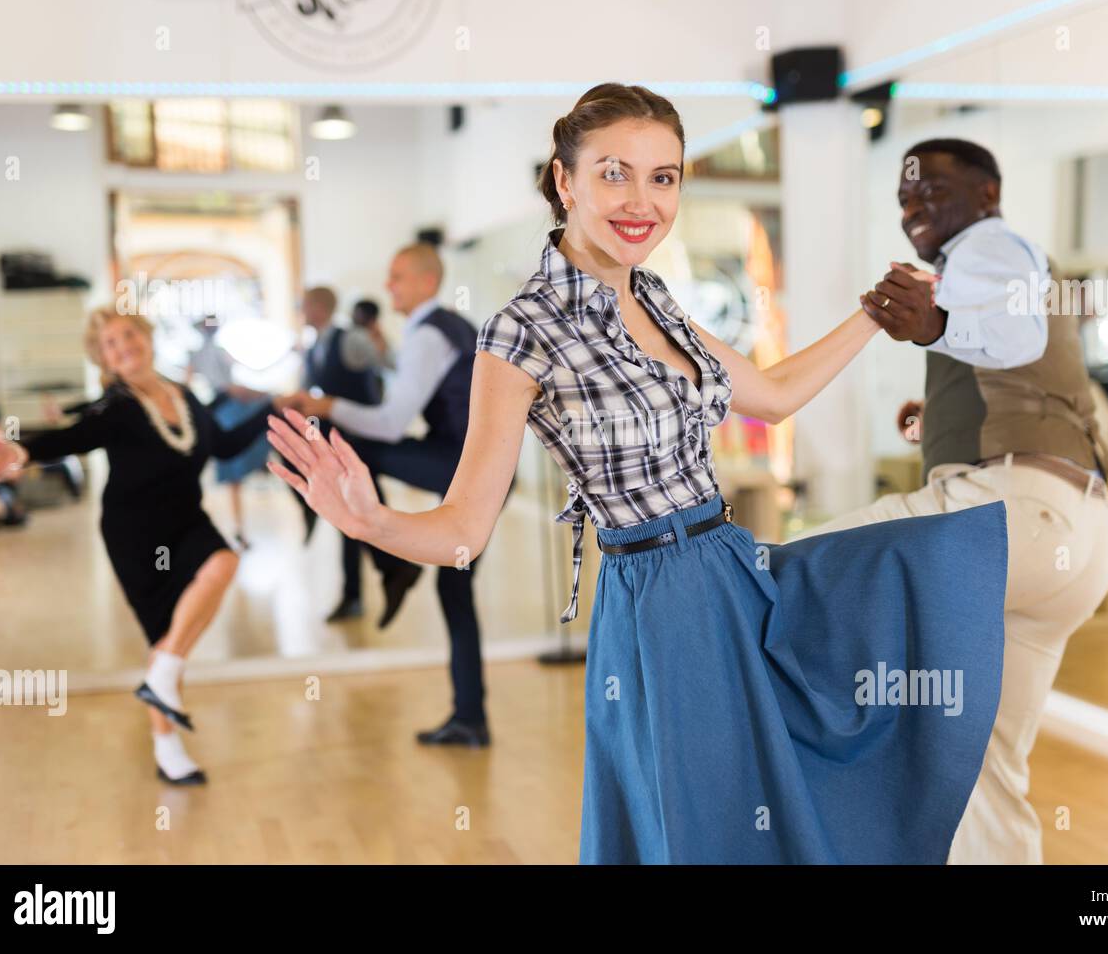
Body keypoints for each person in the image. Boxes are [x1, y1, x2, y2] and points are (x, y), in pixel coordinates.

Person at [266, 84, 1008, 864]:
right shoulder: (521, 332)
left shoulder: (655, 296)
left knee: (913, 589)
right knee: (700, 828)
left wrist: (872, 314)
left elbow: (776, 395)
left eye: (665, 177)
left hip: (731, 569)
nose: (642, 201)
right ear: (566, 181)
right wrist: (369, 521)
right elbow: (463, 530)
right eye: (615, 173)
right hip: (657, 601)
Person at [797, 138, 1108, 865]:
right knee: (986, 772)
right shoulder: (994, 264)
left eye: (932, 191)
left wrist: (940, 327)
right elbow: (1019, 354)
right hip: (1074, 538)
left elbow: (1008, 327)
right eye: (905, 198)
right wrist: (938, 410)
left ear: (986, 192)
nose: (914, 205)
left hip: (1017, 516)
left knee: (790, 567)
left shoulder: (986, 246)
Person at [0, 307, 276, 786]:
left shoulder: (186, 395)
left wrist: (276, 408)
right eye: (110, 344)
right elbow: (72, 437)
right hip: (137, 533)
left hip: (187, 520)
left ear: (147, 336)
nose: (123, 346)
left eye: (128, 335)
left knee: (223, 563)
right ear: (103, 358)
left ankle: (161, 679)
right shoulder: (115, 407)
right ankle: (167, 746)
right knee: (165, 636)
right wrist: (19, 452)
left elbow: (227, 446)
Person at [283, 244, 489, 747]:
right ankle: (470, 718)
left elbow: (393, 423)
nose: (388, 284)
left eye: (397, 276)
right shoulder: (450, 327)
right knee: (455, 590)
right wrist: (386, 357)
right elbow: (421, 385)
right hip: (474, 464)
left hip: (458, 465)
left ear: (425, 281)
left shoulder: (428, 333)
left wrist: (323, 403)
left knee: (354, 450)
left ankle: (392, 565)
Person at [294, 286, 421, 625]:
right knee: (351, 519)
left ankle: (391, 572)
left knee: (360, 515)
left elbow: (393, 364)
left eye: (303, 304)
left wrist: (381, 343)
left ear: (318, 308)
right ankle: (377, 581)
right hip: (338, 442)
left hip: (361, 442)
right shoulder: (315, 345)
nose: (299, 309)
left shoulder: (350, 340)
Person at [187, 316, 271, 550]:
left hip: (221, 409)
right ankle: (236, 530)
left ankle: (236, 530)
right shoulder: (207, 353)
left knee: (232, 476)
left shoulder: (199, 353)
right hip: (226, 409)